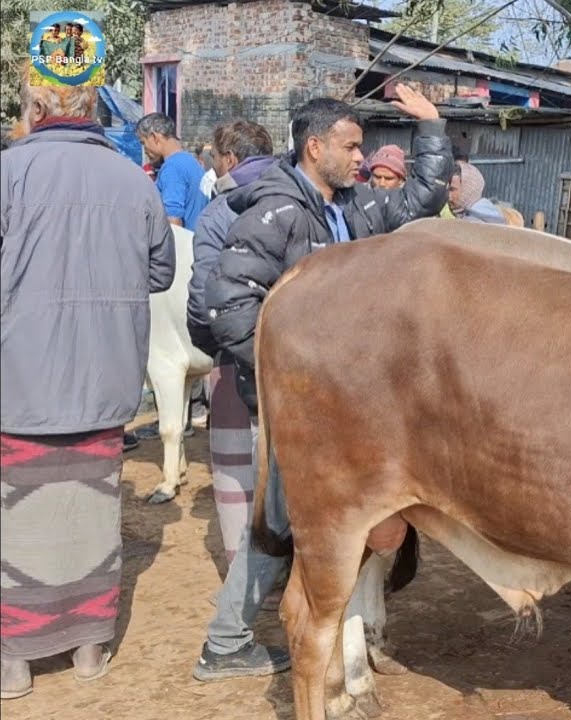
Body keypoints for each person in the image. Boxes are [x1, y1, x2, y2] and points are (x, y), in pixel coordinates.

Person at [193, 86, 452, 681]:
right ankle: (225, 643)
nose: (361, 157)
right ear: (315, 147)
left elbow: (420, 200)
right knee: (282, 522)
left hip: (345, 406)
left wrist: (433, 127)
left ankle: (257, 634)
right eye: (351, 146)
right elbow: (228, 306)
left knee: (300, 522)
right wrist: (296, 382)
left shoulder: (355, 207)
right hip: (305, 406)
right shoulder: (275, 212)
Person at [0, 80, 175, 700]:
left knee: (16, 521)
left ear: (36, 107)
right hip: (106, 377)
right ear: (94, 107)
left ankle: (14, 661)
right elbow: (160, 270)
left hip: (16, 381)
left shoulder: (8, 172)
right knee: (94, 513)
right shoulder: (135, 180)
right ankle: (89, 648)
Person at [185, 119, 276, 568]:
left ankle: (245, 573)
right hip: (298, 367)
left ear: (230, 161)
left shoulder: (219, 214)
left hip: (236, 361)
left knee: (237, 475)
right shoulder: (301, 201)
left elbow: (203, 302)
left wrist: (214, 348)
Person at [136, 112, 209, 229]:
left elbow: (173, 222)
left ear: (154, 137)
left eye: (144, 143)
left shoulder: (172, 168)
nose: (145, 150)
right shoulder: (189, 161)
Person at [447, 160, 507, 224]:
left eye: (452, 189)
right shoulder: (491, 215)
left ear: (467, 189)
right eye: (446, 190)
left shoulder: (472, 223)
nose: (448, 196)